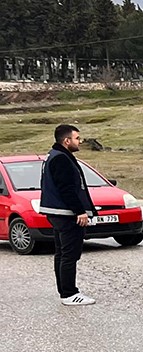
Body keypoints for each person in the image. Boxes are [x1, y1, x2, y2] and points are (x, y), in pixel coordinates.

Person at [37, 124, 98, 306]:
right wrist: (79, 211)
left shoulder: (54, 156)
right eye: (77, 138)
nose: (80, 141)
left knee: (62, 254)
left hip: (58, 213)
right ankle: (69, 293)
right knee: (69, 255)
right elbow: (67, 189)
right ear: (66, 140)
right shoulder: (61, 159)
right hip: (65, 214)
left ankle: (65, 291)